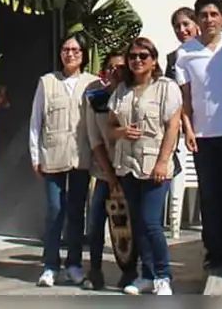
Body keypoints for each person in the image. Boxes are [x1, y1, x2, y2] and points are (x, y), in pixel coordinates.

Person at [173, 0, 222, 270]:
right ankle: (213, 251)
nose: (209, 20)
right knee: (210, 195)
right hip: (203, 136)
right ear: (197, 19)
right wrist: (188, 129)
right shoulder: (185, 54)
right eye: (203, 15)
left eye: (214, 14)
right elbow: (185, 98)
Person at [109, 37, 183, 296]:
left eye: (143, 56)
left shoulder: (166, 87)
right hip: (127, 165)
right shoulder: (121, 90)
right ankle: (147, 275)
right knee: (138, 223)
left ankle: (163, 275)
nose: (137, 60)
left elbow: (173, 127)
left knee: (151, 222)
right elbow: (110, 126)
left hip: (154, 165)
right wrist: (121, 132)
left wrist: (163, 161)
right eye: (133, 57)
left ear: (153, 60)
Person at [30, 34, 99, 288]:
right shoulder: (47, 82)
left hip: (81, 157)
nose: (70, 54)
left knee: (76, 212)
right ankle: (50, 265)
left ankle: (74, 264)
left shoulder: (93, 84)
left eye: (75, 50)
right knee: (55, 210)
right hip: (53, 155)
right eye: (66, 49)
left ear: (83, 54)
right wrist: (35, 156)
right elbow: (36, 122)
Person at [83, 51, 138, 291]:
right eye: (111, 67)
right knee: (96, 222)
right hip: (105, 172)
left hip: (130, 170)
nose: (116, 71)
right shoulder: (95, 98)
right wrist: (110, 175)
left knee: (131, 226)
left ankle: (130, 272)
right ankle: (94, 270)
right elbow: (94, 139)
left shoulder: (136, 96)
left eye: (121, 67)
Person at [165, 7, 199, 80]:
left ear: (197, 24)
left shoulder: (209, 49)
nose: (182, 30)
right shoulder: (173, 58)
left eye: (186, 24)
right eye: (177, 26)